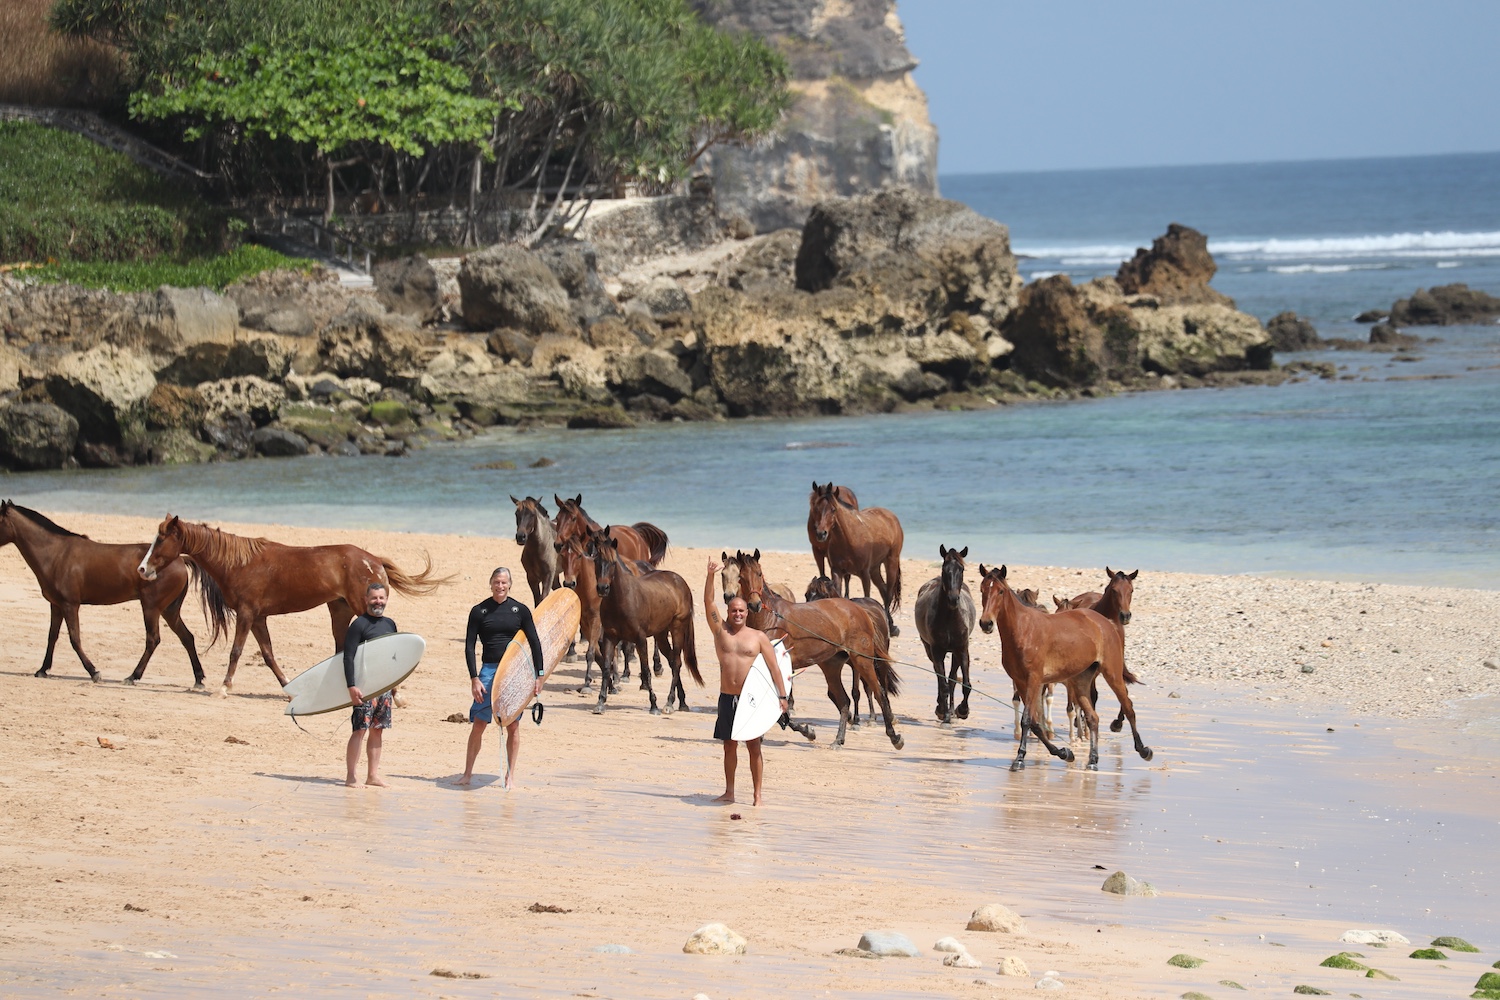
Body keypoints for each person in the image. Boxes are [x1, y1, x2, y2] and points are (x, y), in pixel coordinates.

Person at [704, 558, 788, 806]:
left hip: (751, 700)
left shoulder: (759, 637)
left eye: (741, 611)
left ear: (747, 612)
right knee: (729, 746)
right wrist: (710, 576)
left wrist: (782, 697)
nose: (738, 614)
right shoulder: (721, 632)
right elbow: (708, 602)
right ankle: (729, 792)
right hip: (727, 697)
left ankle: (757, 795)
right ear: (728, 613)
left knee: (754, 748)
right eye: (734, 611)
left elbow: (775, 668)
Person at [458, 567, 545, 789]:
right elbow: (469, 646)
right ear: (491, 583)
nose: (500, 586)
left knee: (513, 726)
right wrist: (474, 678)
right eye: (496, 582)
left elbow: (535, 643)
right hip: (488, 671)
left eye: (504, 582)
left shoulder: (521, 610)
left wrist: (539, 675)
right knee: (479, 723)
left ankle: (510, 776)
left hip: (513, 673)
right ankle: (467, 773)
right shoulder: (479, 611)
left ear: (509, 585)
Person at [345, 581, 397, 788]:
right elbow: (348, 657)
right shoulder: (358, 625)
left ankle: (372, 775)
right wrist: (351, 686)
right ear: (366, 600)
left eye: (381, 598)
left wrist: (394, 685)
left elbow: (395, 656)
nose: (378, 601)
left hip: (383, 686)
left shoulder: (390, 624)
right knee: (360, 729)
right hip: (364, 687)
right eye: (374, 598)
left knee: (378, 729)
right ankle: (351, 776)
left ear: (386, 600)